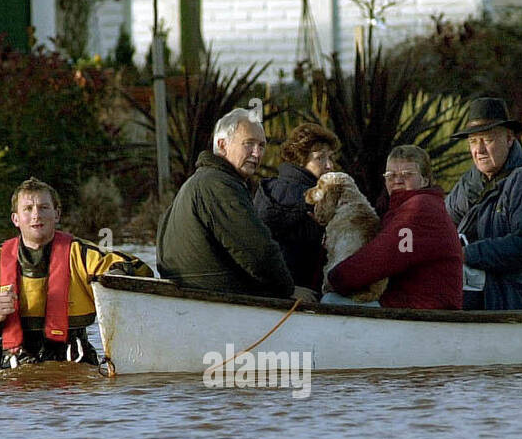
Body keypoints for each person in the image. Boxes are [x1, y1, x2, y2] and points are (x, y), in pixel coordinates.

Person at [0, 177, 153, 368]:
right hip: (15, 363)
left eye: (44, 207)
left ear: (57, 215)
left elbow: (140, 270)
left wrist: (116, 278)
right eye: (28, 209)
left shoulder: (80, 254)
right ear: (16, 219)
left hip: (73, 359)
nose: (36, 215)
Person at [157, 109, 312, 301]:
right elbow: (259, 253)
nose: (257, 153)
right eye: (249, 144)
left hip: (192, 296)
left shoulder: (198, 181)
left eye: (262, 146)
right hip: (214, 299)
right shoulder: (219, 184)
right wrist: (289, 290)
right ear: (222, 145)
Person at [446, 96, 522, 310]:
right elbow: (442, 225)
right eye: (473, 141)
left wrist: (466, 254)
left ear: (510, 139)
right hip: (482, 292)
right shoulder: (468, 184)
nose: (479, 150)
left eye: (488, 140)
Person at [322, 145, 463, 310]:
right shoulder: (406, 208)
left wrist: (335, 279)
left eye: (407, 174)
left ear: (425, 180)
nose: (397, 180)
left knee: (331, 300)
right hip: (411, 303)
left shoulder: (421, 208)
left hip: (423, 309)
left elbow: (384, 256)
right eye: (391, 175)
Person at [253, 123, 340, 293]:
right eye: (320, 158)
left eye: (330, 157)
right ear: (300, 159)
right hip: (301, 293)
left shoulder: (270, 190)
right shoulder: (316, 199)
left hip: (270, 290)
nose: (329, 165)